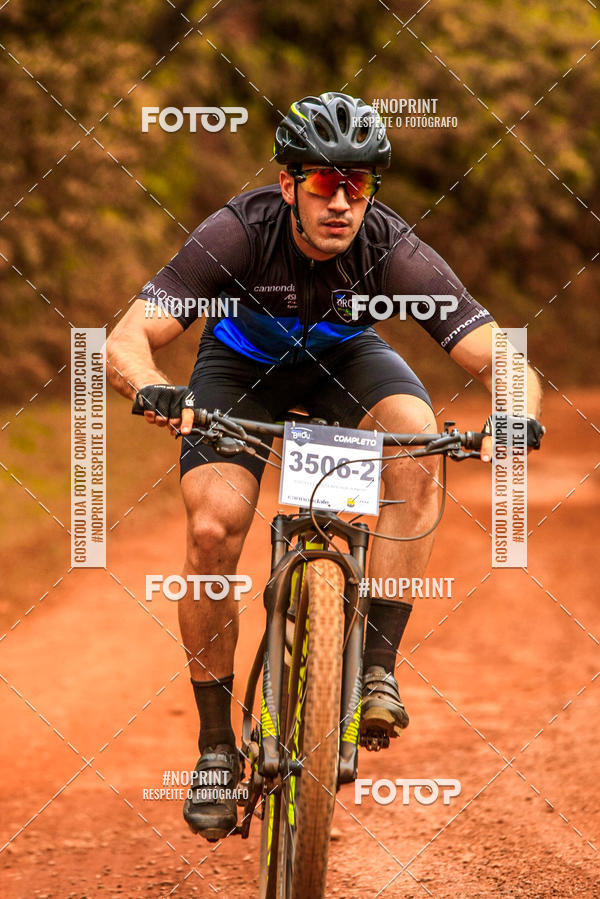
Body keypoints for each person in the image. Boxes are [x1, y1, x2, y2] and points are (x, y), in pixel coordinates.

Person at [106, 91, 544, 841]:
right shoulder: (237, 233)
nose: (341, 201)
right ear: (288, 185)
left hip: (346, 365)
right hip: (239, 374)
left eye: (359, 183)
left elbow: (499, 353)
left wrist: (515, 408)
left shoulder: (391, 245)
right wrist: (150, 385)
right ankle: (216, 747)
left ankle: (376, 665)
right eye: (322, 182)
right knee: (213, 530)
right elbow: (125, 336)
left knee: (413, 443)